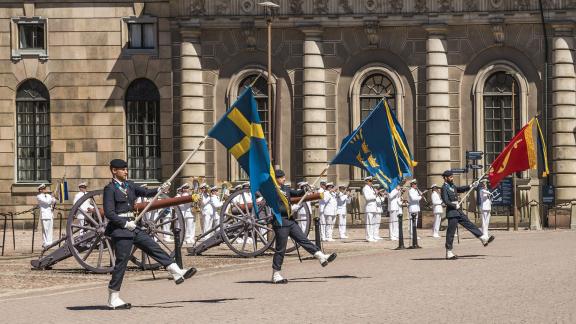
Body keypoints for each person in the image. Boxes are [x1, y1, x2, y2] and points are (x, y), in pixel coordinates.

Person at [103, 159, 196, 309]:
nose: (126, 171)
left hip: (134, 227)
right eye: (123, 169)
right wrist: (125, 223)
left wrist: (161, 188)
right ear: (114, 171)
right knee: (121, 264)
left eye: (126, 169)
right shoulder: (110, 189)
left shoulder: (130, 185)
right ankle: (113, 298)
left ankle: (176, 271)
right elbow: (109, 213)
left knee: (153, 247)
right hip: (121, 230)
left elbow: (147, 192)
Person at [271, 169, 336, 284]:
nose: (284, 179)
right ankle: (276, 274)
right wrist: (291, 209)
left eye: (284, 177)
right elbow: (276, 208)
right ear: (276, 179)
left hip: (290, 221)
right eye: (281, 177)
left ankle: (321, 256)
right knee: (281, 249)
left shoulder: (285, 188)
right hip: (280, 222)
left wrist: (306, 189)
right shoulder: (272, 191)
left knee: (303, 240)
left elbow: (296, 193)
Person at [441, 170, 495, 260]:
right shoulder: (444, 188)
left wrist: (471, 185)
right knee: (451, 233)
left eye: (452, 176)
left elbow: (460, 189)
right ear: (446, 178)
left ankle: (483, 238)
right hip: (452, 212)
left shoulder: (452, 186)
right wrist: (454, 205)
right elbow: (446, 201)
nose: (452, 178)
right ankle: (449, 252)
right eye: (450, 177)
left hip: (458, 211)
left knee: (469, 224)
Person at [37, 184, 56, 248]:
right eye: (44, 189)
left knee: (50, 229)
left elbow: (53, 202)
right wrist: (52, 198)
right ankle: (45, 242)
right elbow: (47, 202)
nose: (45, 190)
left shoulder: (48, 195)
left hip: (50, 214)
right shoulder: (39, 196)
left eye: (45, 188)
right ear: (40, 190)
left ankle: (50, 242)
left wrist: (53, 197)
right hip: (44, 214)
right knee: (45, 229)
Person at [362, 176, 378, 242]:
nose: (371, 182)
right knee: (369, 223)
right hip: (369, 207)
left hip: (373, 207)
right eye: (370, 181)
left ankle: (373, 235)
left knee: (373, 222)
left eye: (371, 181)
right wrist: (375, 195)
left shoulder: (371, 188)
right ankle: (369, 237)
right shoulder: (365, 188)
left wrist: (375, 194)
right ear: (367, 181)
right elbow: (367, 198)